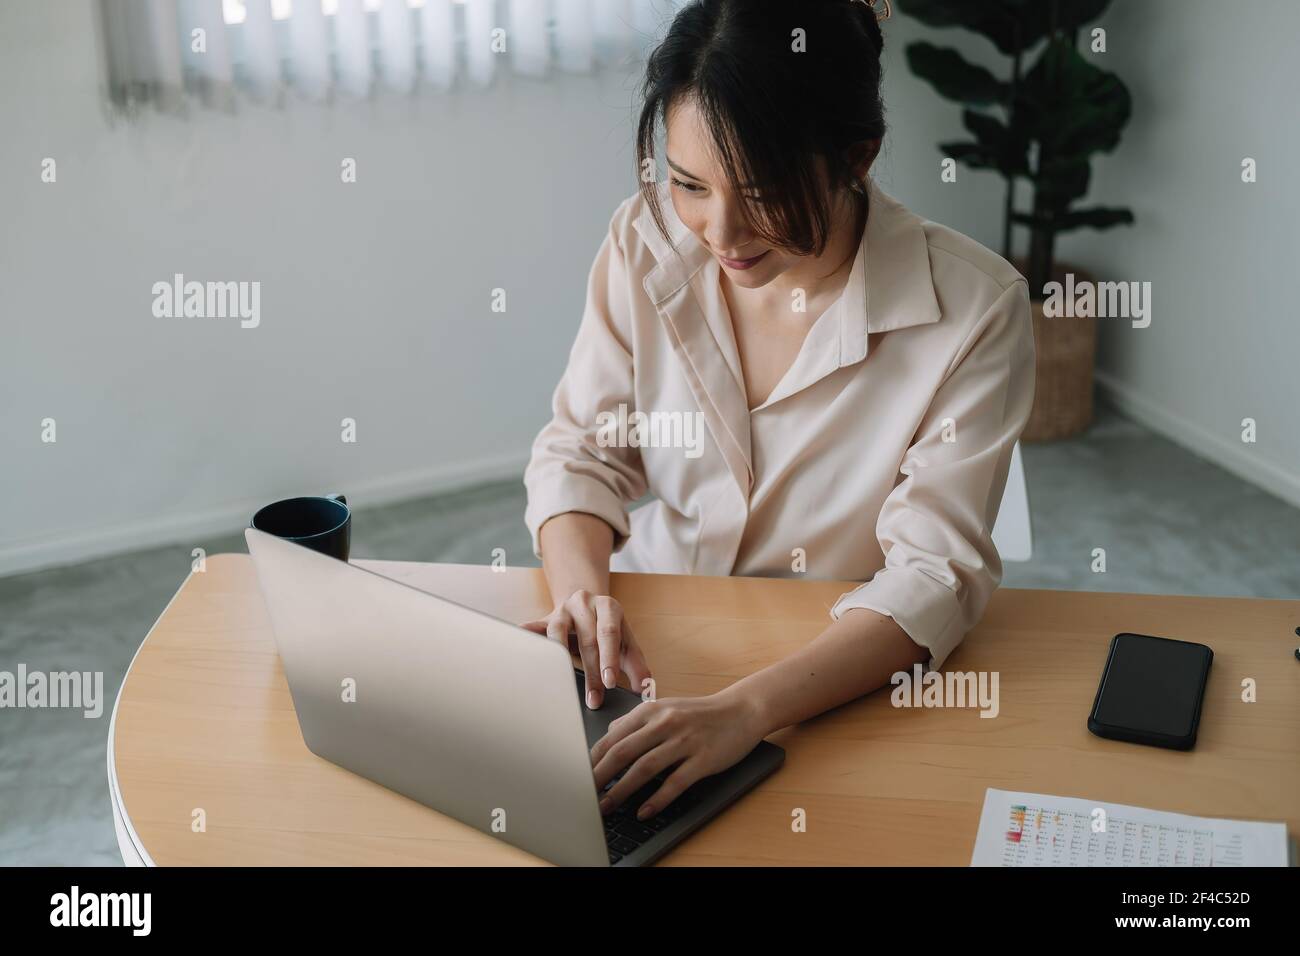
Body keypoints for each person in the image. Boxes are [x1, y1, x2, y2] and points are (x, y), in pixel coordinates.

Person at [522, 0, 1034, 822]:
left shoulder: (973, 309)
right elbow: (582, 451)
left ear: (855, 158)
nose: (719, 232)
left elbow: (934, 574)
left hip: (832, 671)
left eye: (762, 192)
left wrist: (747, 712)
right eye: (689, 184)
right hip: (656, 637)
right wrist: (582, 596)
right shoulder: (645, 239)